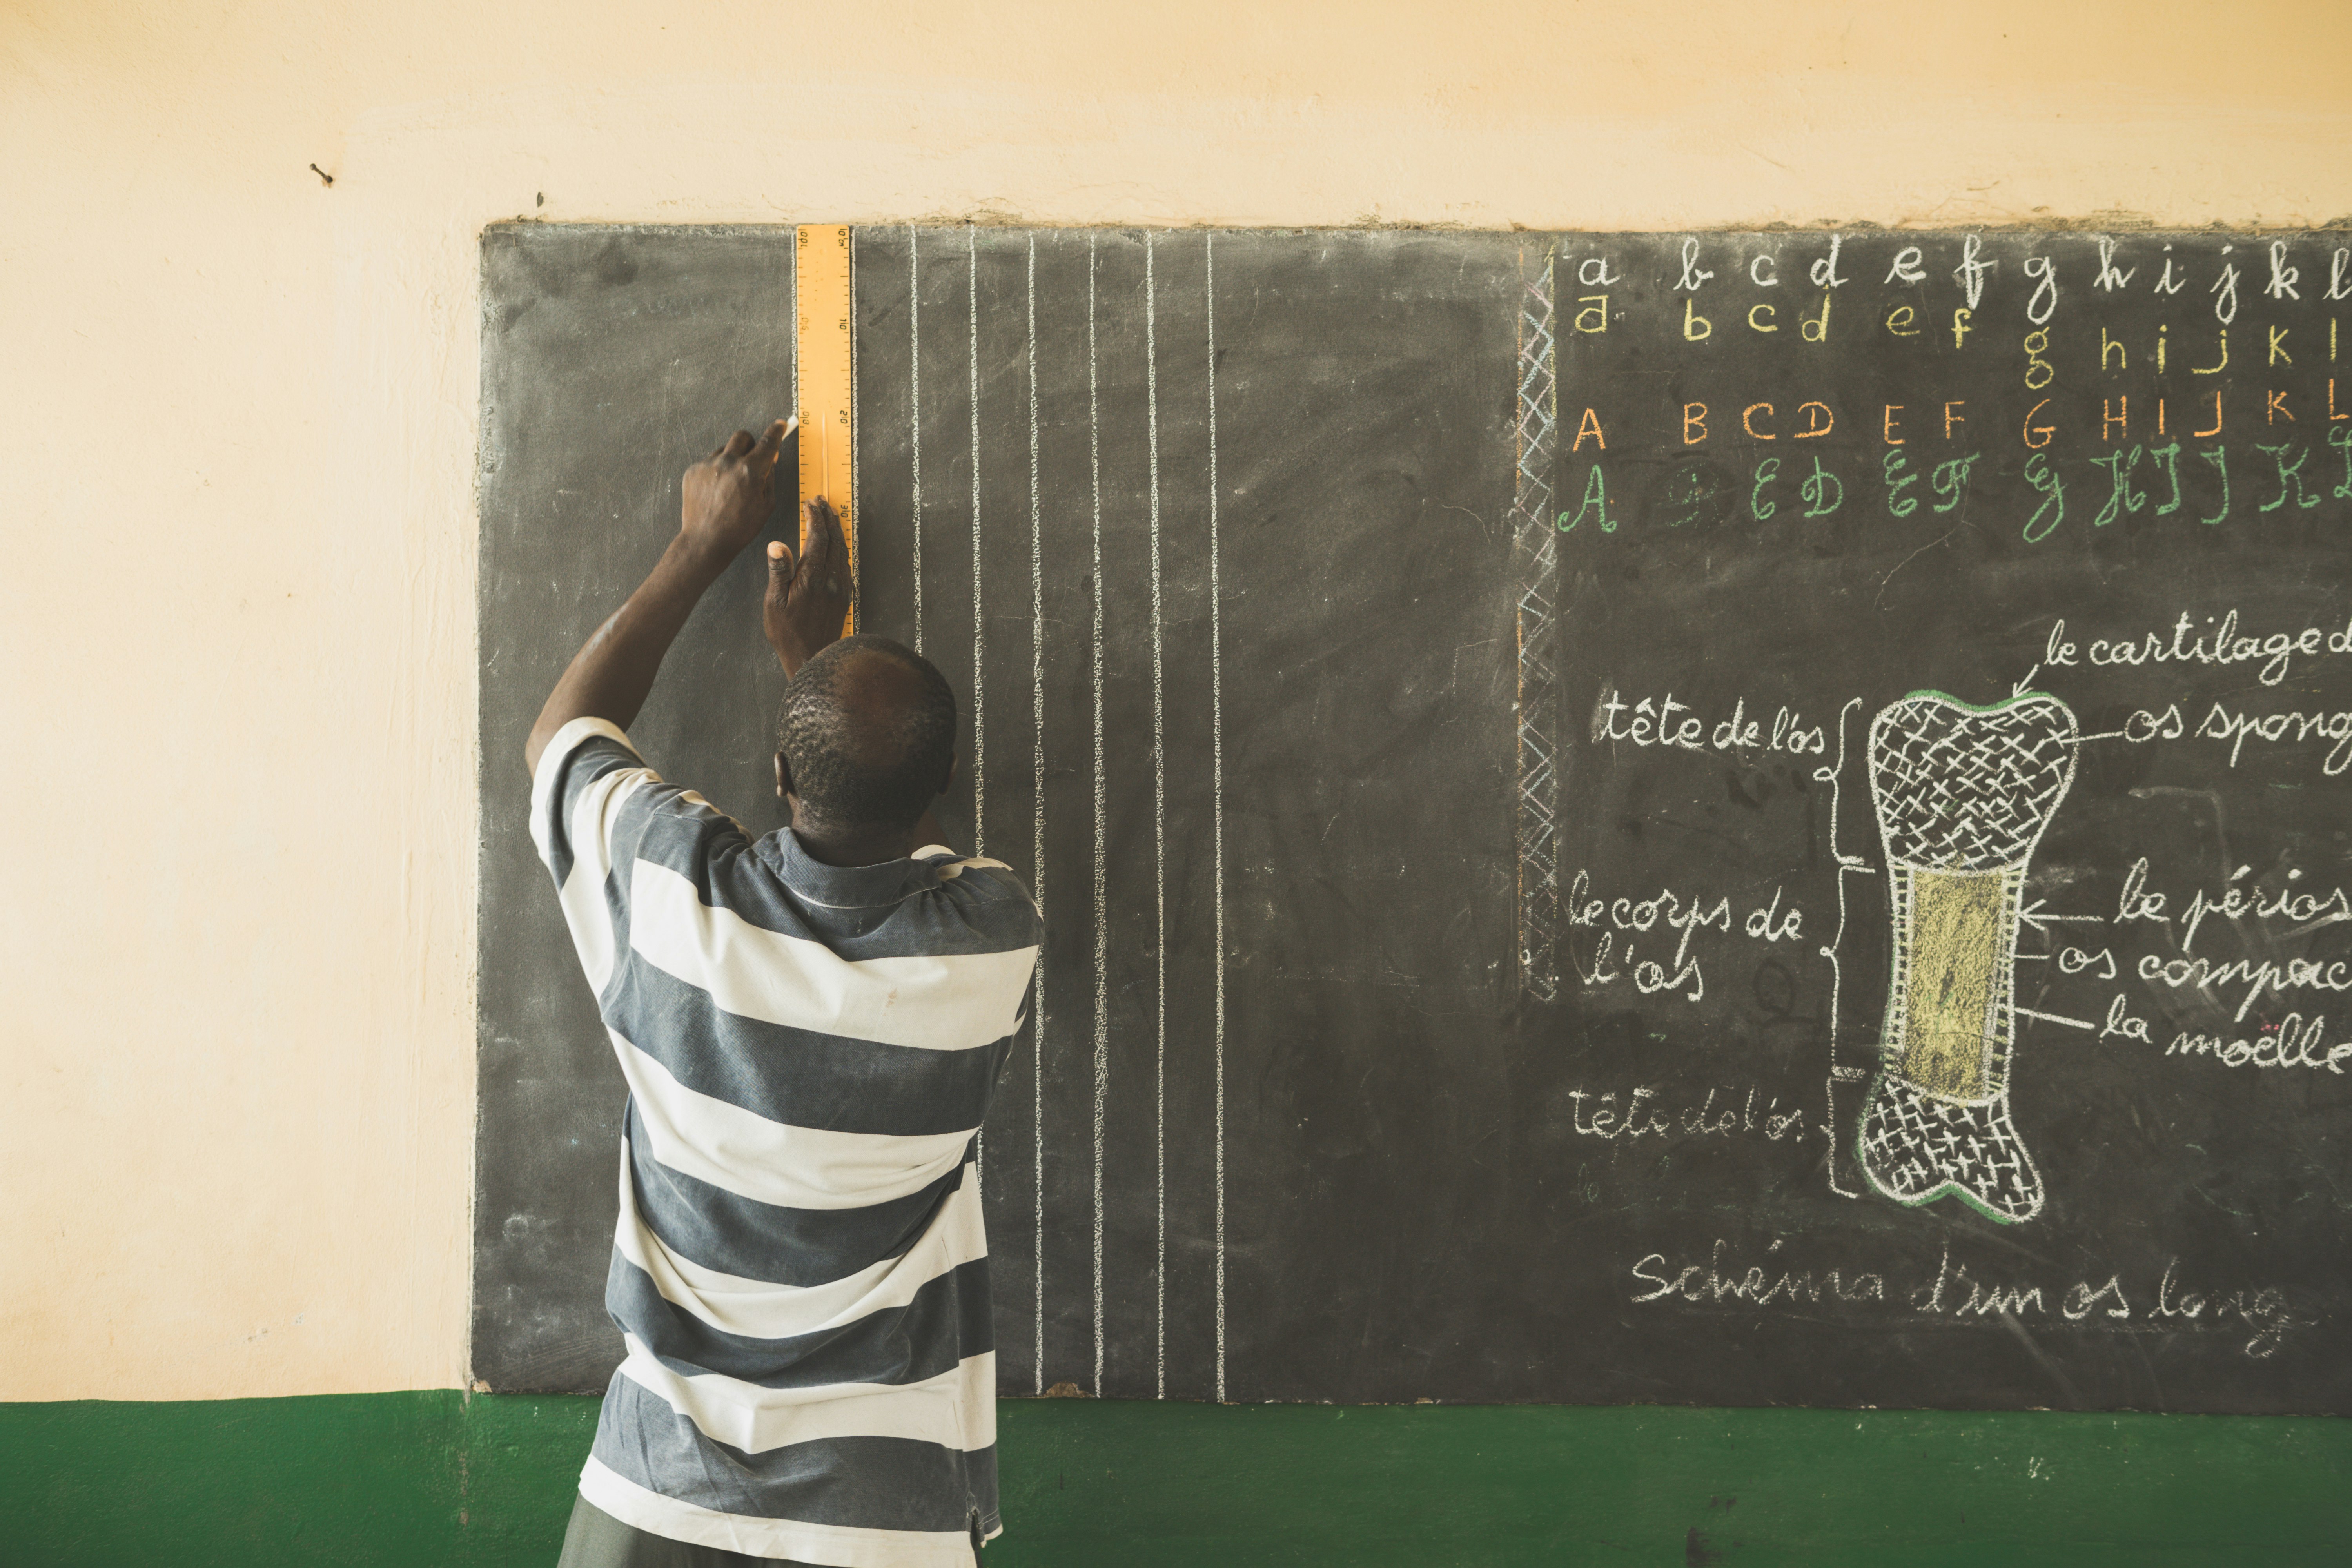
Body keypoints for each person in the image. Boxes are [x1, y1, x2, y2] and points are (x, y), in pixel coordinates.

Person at [524, 420, 1041, 1567]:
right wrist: (817, 672)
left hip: (661, 1484)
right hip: (886, 1503)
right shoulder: (991, 947)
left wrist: (702, 546)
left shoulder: (668, 898)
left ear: (774, 774)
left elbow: (564, 740)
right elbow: (918, 847)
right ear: (943, 784)